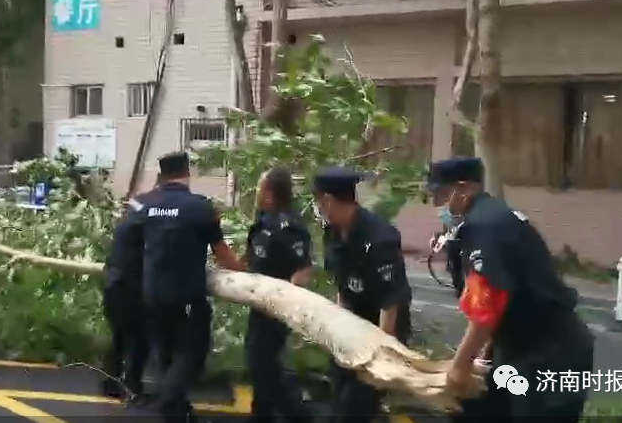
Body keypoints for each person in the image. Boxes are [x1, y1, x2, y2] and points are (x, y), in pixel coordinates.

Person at [426, 157, 594, 422]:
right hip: (514, 346)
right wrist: (482, 354)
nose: (437, 205)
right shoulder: (484, 219)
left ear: (466, 188)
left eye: (440, 195)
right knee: (474, 410)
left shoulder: (486, 226)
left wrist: (460, 366)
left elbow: (487, 305)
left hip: (550, 355)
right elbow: (504, 296)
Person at [125, 151, 246, 423]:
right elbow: (221, 253)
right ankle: (168, 402)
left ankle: (177, 409)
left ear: (162, 175)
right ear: (186, 173)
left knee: (165, 352)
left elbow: (128, 235)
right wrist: (244, 269)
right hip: (186, 295)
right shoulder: (200, 206)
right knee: (193, 352)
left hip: (151, 292)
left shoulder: (146, 205)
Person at [312, 166, 412, 423]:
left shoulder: (380, 238)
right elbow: (342, 286)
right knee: (338, 400)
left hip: (381, 334)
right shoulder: (333, 233)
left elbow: (391, 301)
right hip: (352, 330)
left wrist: (380, 358)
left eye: (318, 202)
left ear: (329, 201)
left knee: (354, 407)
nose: (318, 209)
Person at [244, 167, 314, 423]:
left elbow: (304, 270)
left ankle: (299, 416)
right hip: (258, 307)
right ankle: (261, 415)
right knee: (259, 365)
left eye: (261, 188)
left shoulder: (289, 227)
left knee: (264, 365)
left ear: (271, 194)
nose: (257, 192)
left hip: (275, 309)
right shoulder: (262, 221)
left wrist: (288, 304)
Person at [100, 194, 154, 401]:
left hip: (113, 286)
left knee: (118, 337)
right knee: (139, 339)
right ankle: (132, 385)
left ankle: (109, 382)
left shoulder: (123, 228)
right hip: (130, 289)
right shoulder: (141, 232)